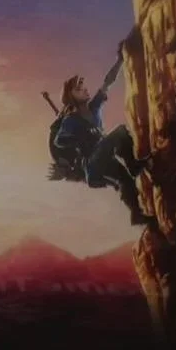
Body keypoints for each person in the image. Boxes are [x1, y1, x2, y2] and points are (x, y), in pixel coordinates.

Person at [54, 47, 152, 225]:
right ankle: (133, 165)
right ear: (71, 97)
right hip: (93, 163)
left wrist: (120, 61)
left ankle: (136, 214)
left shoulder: (94, 107)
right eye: (79, 89)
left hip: (105, 156)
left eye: (83, 87)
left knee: (126, 180)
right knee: (120, 131)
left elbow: (108, 82)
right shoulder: (71, 120)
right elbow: (59, 140)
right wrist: (79, 138)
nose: (85, 90)